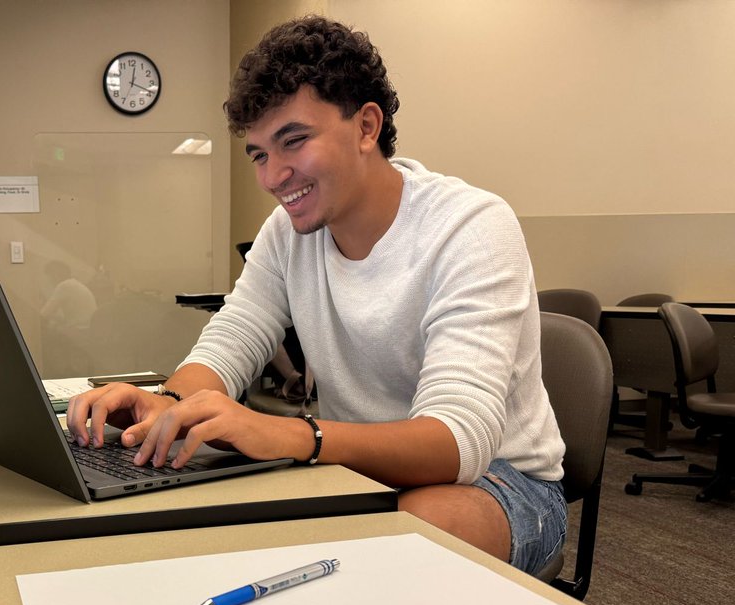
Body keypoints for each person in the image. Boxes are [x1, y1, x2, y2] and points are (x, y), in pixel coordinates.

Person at [66, 15, 566, 575]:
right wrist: (170, 405)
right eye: (258, 154)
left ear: (366, 127)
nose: (274, 175)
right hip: (354, 469)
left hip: (498, 481)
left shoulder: (470, 225)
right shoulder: (287, 232)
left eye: (294, 141)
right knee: (239, 517)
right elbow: (233, 338)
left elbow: (456, 443)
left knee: (408, 537)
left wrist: (290, 434)